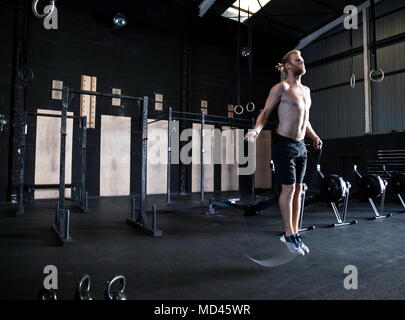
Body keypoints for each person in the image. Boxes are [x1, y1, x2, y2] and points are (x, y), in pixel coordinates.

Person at [244, 50, 323, 256]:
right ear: (288, 66)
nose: (302, 62)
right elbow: (265, 113)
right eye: (298, 60)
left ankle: (293, 232)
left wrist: (314, 137)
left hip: (301, 146)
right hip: (284, 144)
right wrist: (255, 130)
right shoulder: (281, 88)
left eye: (302, 59)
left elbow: (305, 120)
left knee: (298, 190)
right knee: (287, 190)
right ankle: (288, 235)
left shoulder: (306, 90)